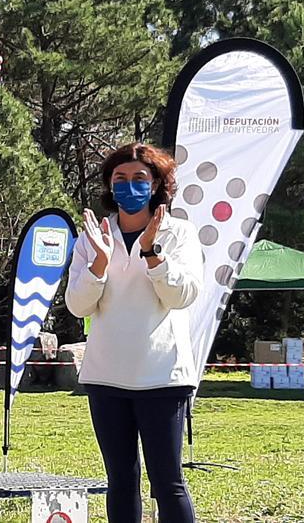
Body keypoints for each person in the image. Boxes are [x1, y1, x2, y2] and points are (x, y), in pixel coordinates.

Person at [65, 143, 202, 523]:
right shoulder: (94, 235)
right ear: (109, 185)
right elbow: (78, 306)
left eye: (140, 178)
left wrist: (152, 253)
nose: (129, 186)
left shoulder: (179, 233)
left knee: (167, 483)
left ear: (157, 184)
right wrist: (100, 262)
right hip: (106, 377)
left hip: (162, 377)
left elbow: (182, 296)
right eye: (120, 178)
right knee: (121, 481)